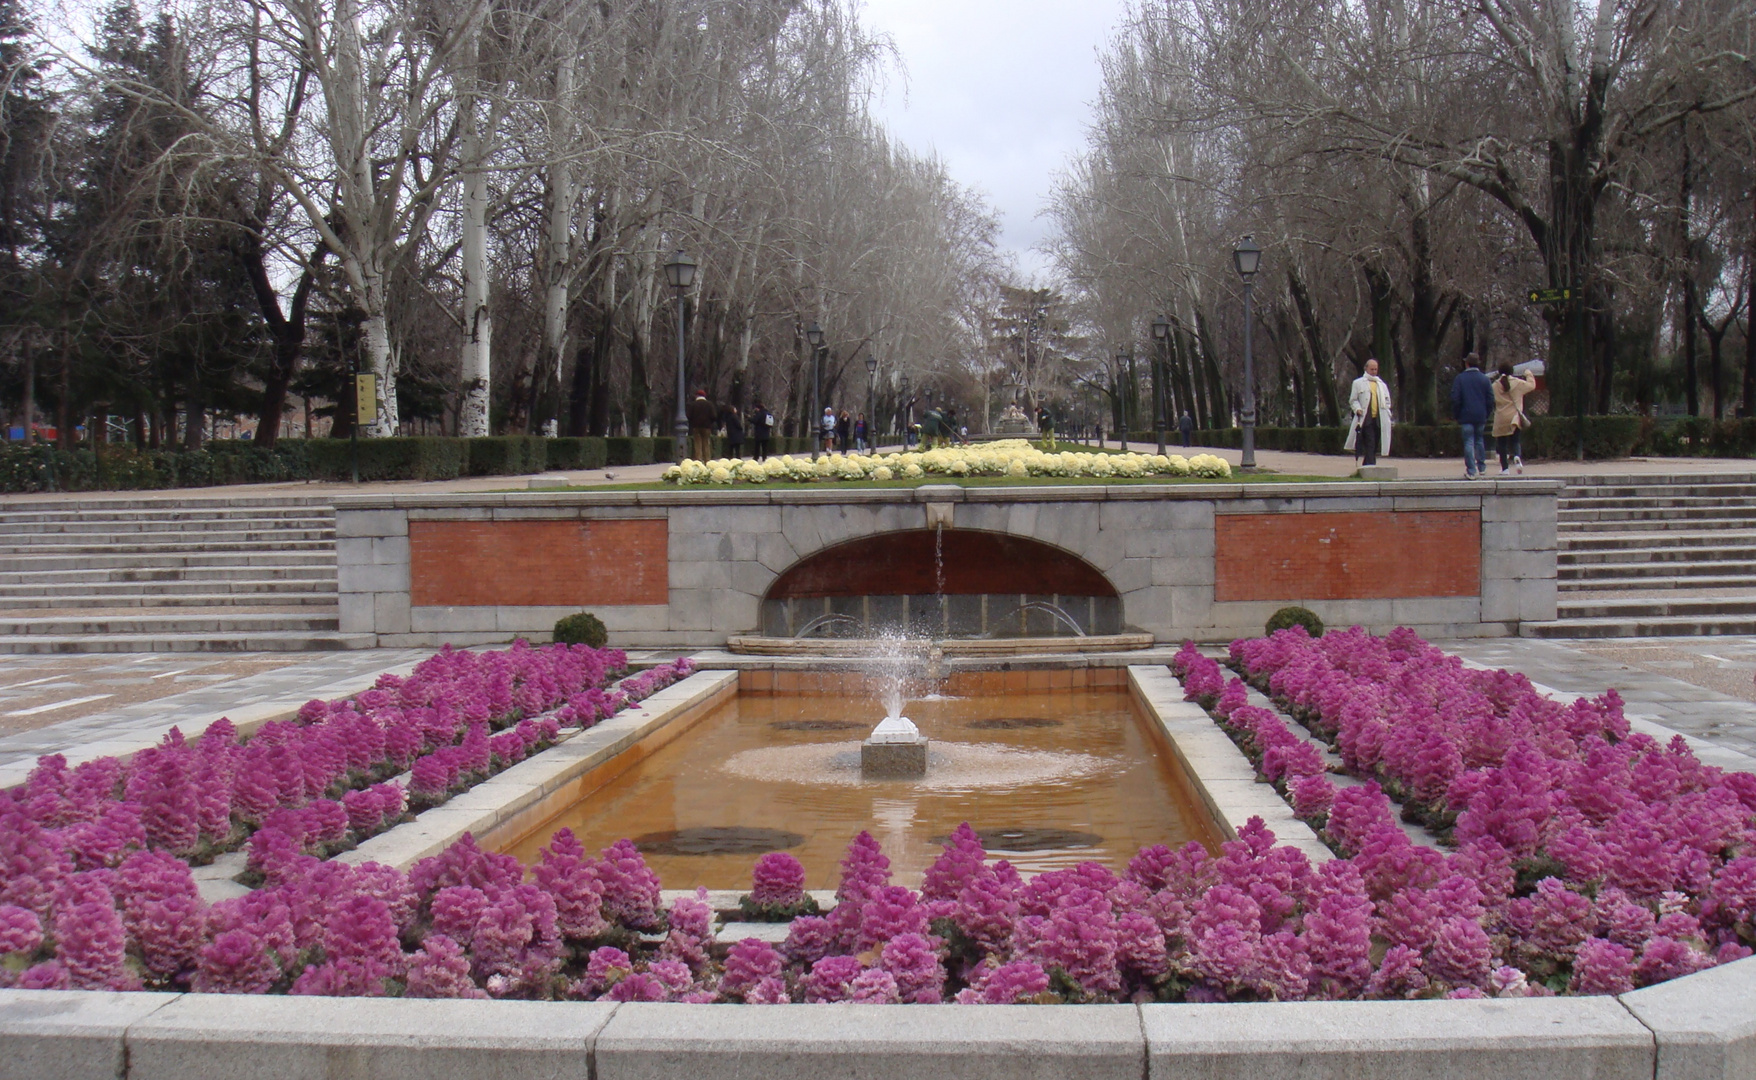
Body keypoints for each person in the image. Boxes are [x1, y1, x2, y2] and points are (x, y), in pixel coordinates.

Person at [1449, 353, 1495, 480]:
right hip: (1480, 415)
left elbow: (1455, 398)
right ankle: (1482, 467)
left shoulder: (1460, 379)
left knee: (1469, 442)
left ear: (1467, 363)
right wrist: (1486, 413)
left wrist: (1456, 414)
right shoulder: (1485, 379)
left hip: (1465, 415)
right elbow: (1490, 399)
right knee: (1479, 440)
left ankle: (1471, 470)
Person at [1344, 358, 1392, 466]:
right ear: (1366, 369)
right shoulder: (1358, 383)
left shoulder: (1381, 385)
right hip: (1366, 419)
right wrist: (1358, 409)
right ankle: (1371, 467)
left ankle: (1367, 465)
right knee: (1370, 442)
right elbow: (1353, 400)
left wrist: (1387, 413)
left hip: (1379, 420)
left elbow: (1387, 401)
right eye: (1372, 369)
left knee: (1375, 444)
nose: (1374, 372)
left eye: (1376, 369)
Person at [1493, 362, 1537, 475]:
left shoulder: (1495, 385)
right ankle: (1517, 457)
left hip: (1501, 417)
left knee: (1502, 444)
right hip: (1514, 417)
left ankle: (1505, 469)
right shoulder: (1517, 383)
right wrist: (1528, 373)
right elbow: (1531, 385)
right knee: (1515, 440)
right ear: (1511, 371)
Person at [686, 387, 716, 462]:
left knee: (697, 444)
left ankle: (699, 460)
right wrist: (709, 423)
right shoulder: (709, 404)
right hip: (707, 427)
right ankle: (707, 460)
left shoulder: (693, 404)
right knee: (706, 444)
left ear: (697, 396)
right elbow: (714, 416)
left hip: (696, 427)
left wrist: (693, 422)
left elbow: (688, 416)